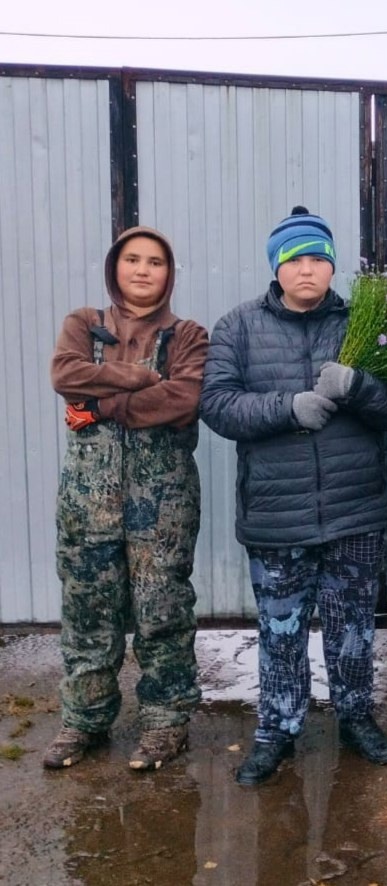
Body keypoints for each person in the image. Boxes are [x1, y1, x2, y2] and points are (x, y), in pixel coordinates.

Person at [201, 206, 387, 785]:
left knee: (353, 629)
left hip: (355, 511)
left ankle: (356, 717)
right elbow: (217, 405)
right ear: (276, 266)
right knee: (280, 632)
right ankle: (278, 728)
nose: (308, 269)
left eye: (319, 258)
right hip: (278, 516)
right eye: (296, 259)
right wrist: (287, 407)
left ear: (332, 266)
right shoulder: (238, 327)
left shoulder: (364, 324)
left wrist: (359, 386)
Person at [45, 226, 207, 772]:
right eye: (132, 259)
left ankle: (165, 721)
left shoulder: (188, 335)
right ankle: (84, 720)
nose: (142, 270)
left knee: (162, 610)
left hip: (163, 504)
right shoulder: (82, 324)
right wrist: (137, 377)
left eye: (155, 262)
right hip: (88, 501)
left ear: (169, 272)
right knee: (87, 609)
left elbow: (183, 399)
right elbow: (66, 375)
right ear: (115, 266)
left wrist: (102, 402)